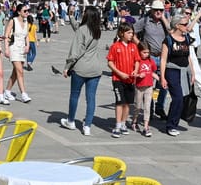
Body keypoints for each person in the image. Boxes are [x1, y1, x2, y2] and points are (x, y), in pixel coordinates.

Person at [59, 7, 103, 136]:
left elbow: (75, 51)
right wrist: (71, 17)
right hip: (95, 69)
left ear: (86, 15)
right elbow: (79, 30)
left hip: (81, 68)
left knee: (75, 95)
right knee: (91, 98)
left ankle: (71, 120)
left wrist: (67, 67)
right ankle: (87, 125)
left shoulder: (82, 30)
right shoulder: (97, 30)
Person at [159, 14, 194, 136]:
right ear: (177, 25)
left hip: (185, 71)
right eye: (184, 24)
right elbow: (163, 59)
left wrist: (193, 72)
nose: (187, 26)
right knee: (177, 97)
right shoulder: (168, 40)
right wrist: (162, 77)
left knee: (183, 98)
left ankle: (175, 120)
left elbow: (189, 56)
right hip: (172, 70)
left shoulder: (187, 38)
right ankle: (171, 125)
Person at [107, 24, 140, 138]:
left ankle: (123, 124)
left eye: (132, 33)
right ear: (122, 33)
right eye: (129, 33)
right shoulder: (115, 46)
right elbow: (110, 62)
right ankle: (117, 125)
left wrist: (135, 70)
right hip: (118, 79)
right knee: (119, 102)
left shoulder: (133, 47)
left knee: (127, 103)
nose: (131, 35)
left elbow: (137, 60)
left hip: (130, 80)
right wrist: (119, 73)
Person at [1, 2, 32, 104]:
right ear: (19, 12)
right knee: (20, 71)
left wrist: (27, 45)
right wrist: (6, 49)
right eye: (25, 11)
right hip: (13, 47)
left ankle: (7, 91)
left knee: (15, 72)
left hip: (22, 48)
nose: (27, 12)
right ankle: (23, 94)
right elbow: (6, 36)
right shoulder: (12, 21)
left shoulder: (26, 21)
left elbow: (26, 35)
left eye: (27, 11)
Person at [132, 45, 157, 137]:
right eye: (144, 52)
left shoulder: (150, 61)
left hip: (149, 86)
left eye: (148, 52)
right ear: (139, 52)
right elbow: (132, 73)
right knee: (137, 106)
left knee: (147, 107)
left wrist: (159, 79)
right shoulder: (137, 62)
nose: (146, 54)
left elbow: (152, 72)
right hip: (139, 87)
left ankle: (146, 127)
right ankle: (134, 121)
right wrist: (138, 75)